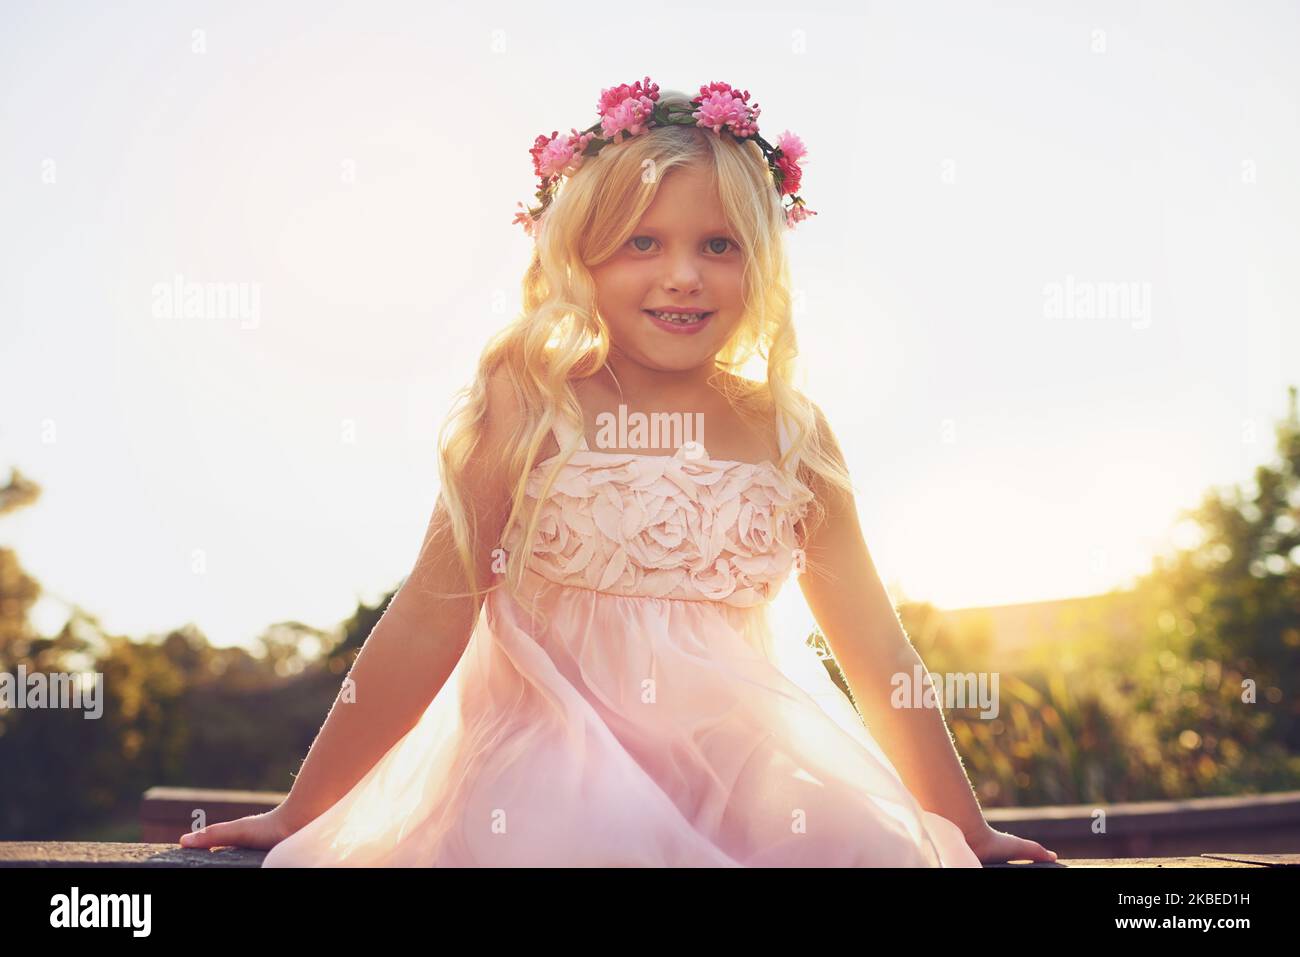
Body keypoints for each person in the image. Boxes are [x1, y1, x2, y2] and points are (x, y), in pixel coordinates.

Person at [180, 77, 1057, 866]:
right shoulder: (528, 406)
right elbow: (425, 620)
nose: (683, 276)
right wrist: (303, 809)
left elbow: (874, 646)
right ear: (582, 254)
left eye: (720, 245)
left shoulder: (791, 431)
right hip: (545, 774)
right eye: (642, 241)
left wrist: (964, 826)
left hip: (746, 786)